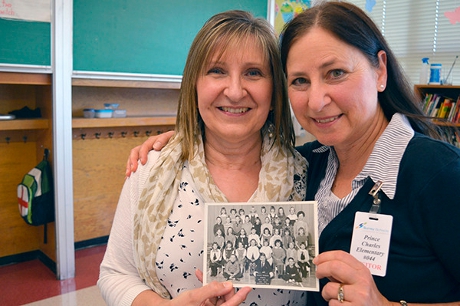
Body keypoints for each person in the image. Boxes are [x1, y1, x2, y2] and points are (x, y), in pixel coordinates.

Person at [126, 2, 460, 305]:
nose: (316, 101)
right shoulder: (304, 166)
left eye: (336, 73)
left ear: (380, 71)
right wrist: (184, 143)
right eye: (300, 81)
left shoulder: (438, 174)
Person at [99, 9, 308, 306]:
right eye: (217, 71)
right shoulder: (153, 169)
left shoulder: (308, 176)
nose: (235, 92)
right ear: (194, 84)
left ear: (274, 90)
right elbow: (115, 273)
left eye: (253, 73)